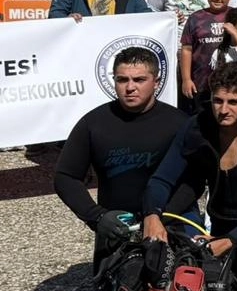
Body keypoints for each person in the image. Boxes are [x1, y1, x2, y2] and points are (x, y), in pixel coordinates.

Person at [142, 62, 237, 282]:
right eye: (218, 101)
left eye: (234, 102)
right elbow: (162, 179)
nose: (223, 110)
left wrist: (230, 240)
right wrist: (152, 215)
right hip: (218, 222)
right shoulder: (197, 127)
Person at [55, 47, 188, 270]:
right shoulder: (93, 123)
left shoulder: (179, 123)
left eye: (139, 80)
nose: (130, 87)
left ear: (156, 82)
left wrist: (159, 217)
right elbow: (65, 176)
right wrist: (97, 217)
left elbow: (194, 180)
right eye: (122, 79)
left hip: (167, 225)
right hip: (114, 228)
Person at [180, 0, 237, 104]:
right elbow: (187, 49)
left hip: (233, 84)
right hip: (201, 84)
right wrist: (186, 79)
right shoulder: (195, 18)